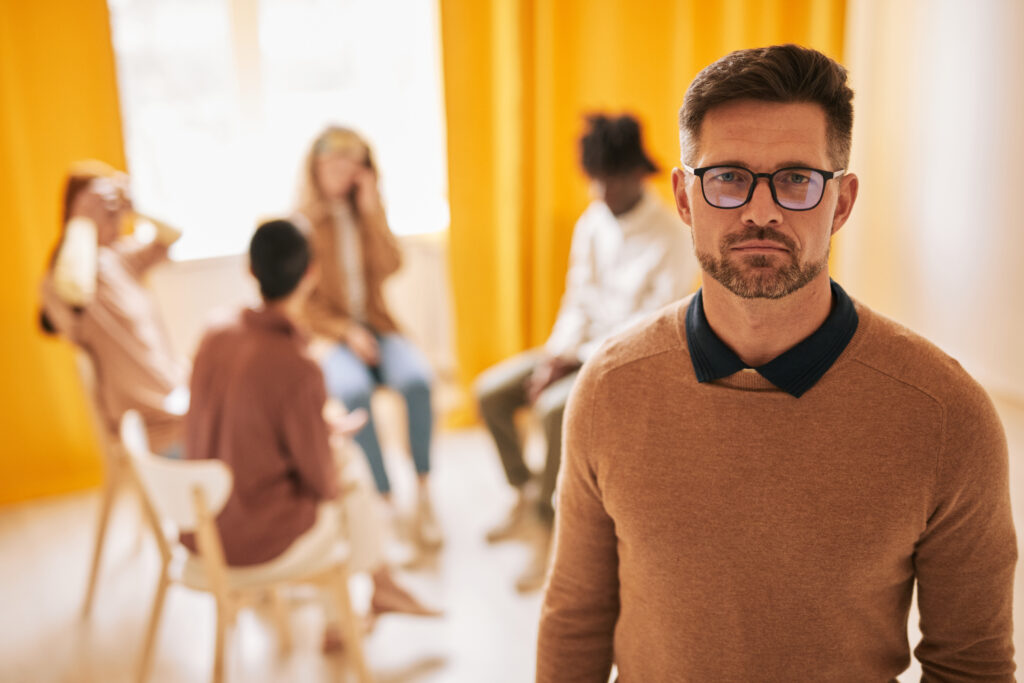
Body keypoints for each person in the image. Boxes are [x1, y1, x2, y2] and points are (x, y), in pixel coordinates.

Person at [537, 44, 1017, 681]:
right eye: (728, 177)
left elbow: (971, 666)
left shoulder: (947, 414)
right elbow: (577, 616)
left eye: (795, 179)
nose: (759, 211)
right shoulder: (608, 388)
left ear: (840, 203)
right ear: (684, 198)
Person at [184, 219, 439, 650]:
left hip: (202, 519)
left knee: (342, 463)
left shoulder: (215, 329)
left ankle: (370, 595)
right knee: (346, 479)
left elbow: (237, 417)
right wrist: (322, 437)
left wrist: (315, 428)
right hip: (251, 538)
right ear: (311, 274)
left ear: (250, 269)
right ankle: (367, 598)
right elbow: (320, 482)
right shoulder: (296, 365)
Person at [475, 114, 698, 591]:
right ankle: (525, 491)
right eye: (594, 179)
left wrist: (574, 363)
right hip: (574, 349)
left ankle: (546, 526)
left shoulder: (674, 236)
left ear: (638, 173)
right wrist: (557, 354)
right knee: (490, 392)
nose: (600, 191)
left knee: (557, 409)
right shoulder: (593, 221)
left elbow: (650, 327)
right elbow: (576, 297)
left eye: (610, 179)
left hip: (626, 360)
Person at [296, 126, 441, 550]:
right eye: (335, 165)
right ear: (316, 168)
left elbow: (393, 264)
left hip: (380, 327)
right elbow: (304, 305)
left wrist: (373, 210)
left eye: (353, 166)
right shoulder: (303, 224)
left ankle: (423, 489)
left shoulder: (365, 213)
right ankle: (384, 498)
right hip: (334, 338)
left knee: (417, 382)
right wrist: (347, 332)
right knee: (354, 394)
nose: (344, 173)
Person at [40, 160, 187, 457]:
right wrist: (82, 221)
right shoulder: (65, 276)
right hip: (152, 422)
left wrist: (136, 206)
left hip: (177, 398)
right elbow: (73, 290)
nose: (115, 220)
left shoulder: (119, 258)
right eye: (104, 211)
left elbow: (174, 234)